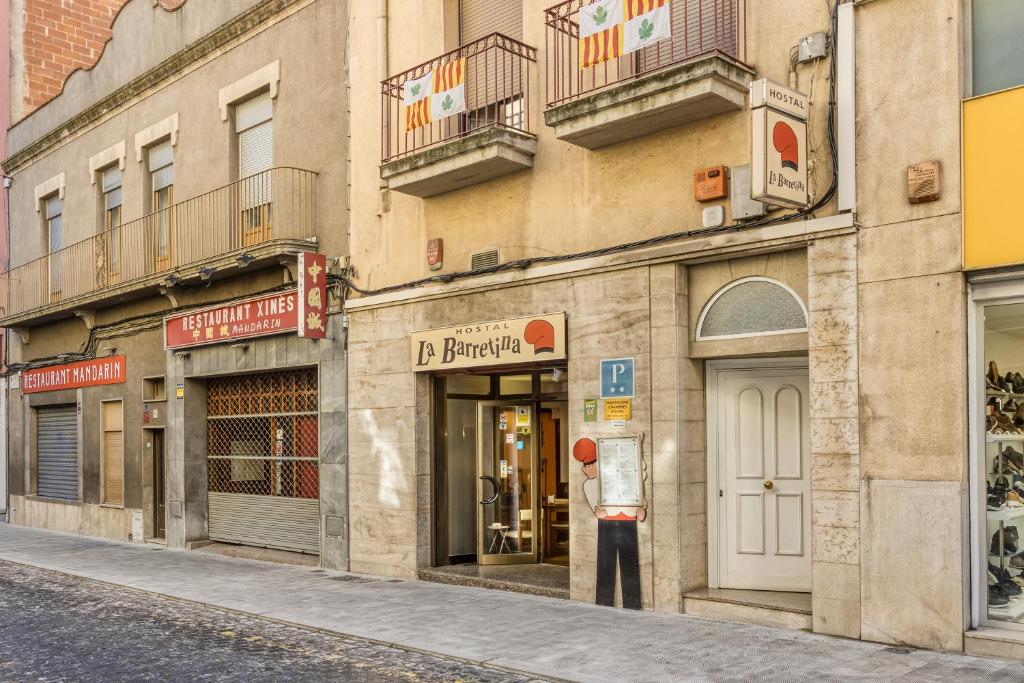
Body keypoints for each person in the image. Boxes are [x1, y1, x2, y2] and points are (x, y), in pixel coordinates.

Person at [572, 438, 645, 609]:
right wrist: (596, 512)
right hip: (606, 522)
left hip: (627, 519)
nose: (586, 470)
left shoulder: (622, 475)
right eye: (586, 466)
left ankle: (632, 602)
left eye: (590, 466)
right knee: (605, 564)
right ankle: (604, 601)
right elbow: (593, 505)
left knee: (629, 564)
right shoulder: (590, 484)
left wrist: (641, 510)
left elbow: (637, 491)